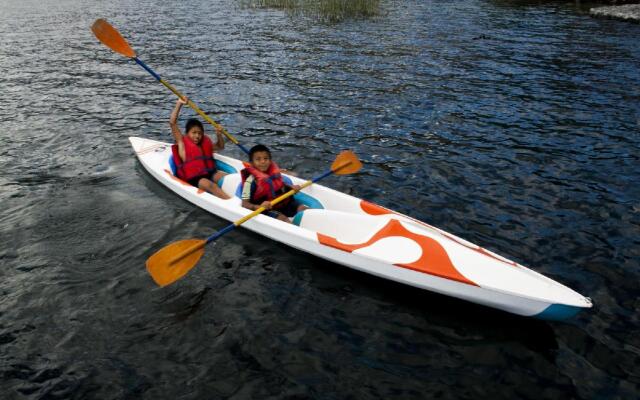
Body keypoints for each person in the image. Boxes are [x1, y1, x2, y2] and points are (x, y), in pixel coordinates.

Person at [169, 98, 230, 199]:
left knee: (225, 177)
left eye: (199, 133)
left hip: (210, 173)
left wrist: (219, 134)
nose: (197, 136)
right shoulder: (182, 143)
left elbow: (220, 146)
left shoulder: (204, 143)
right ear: (187, 133)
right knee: (209, 184)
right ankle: (231, 203)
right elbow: (172, 123)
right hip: (195, 179)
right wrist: (179, 104)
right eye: (194, 133)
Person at [241, 144, 308, 222]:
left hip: (284, 203)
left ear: (270, 160)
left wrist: (291, 187)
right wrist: (258, 207)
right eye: (258, 159)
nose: (263, 161)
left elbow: (279, 185)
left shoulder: (273, 173)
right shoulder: (249, 182)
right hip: (267, 208)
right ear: (252, 163)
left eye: (266, 158)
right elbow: (245, 204)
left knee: (304, 209)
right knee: (283, 219)